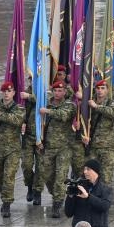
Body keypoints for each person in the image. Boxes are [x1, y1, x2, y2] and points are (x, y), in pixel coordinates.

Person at [36, 80, 76, 218]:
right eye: (55, 91)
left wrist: (47, 111)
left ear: (65, 92)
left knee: (60, 176)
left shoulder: (69, 105)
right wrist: (39, 139)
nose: (57, 93)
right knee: (46, 174)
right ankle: (57, 194)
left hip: (64, 147)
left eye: (60, 90)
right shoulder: (45, 103)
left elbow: (63, 115)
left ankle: (57, 204)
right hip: (48, 147)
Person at [0, 81, 24, 218]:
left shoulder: (18, 108)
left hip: (13, 149)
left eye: (9, 91)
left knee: (9, 176)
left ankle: (6, 203)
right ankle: (5, 195)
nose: (6, 93)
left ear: (13, 93)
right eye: (4, 91)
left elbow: (17, 120)